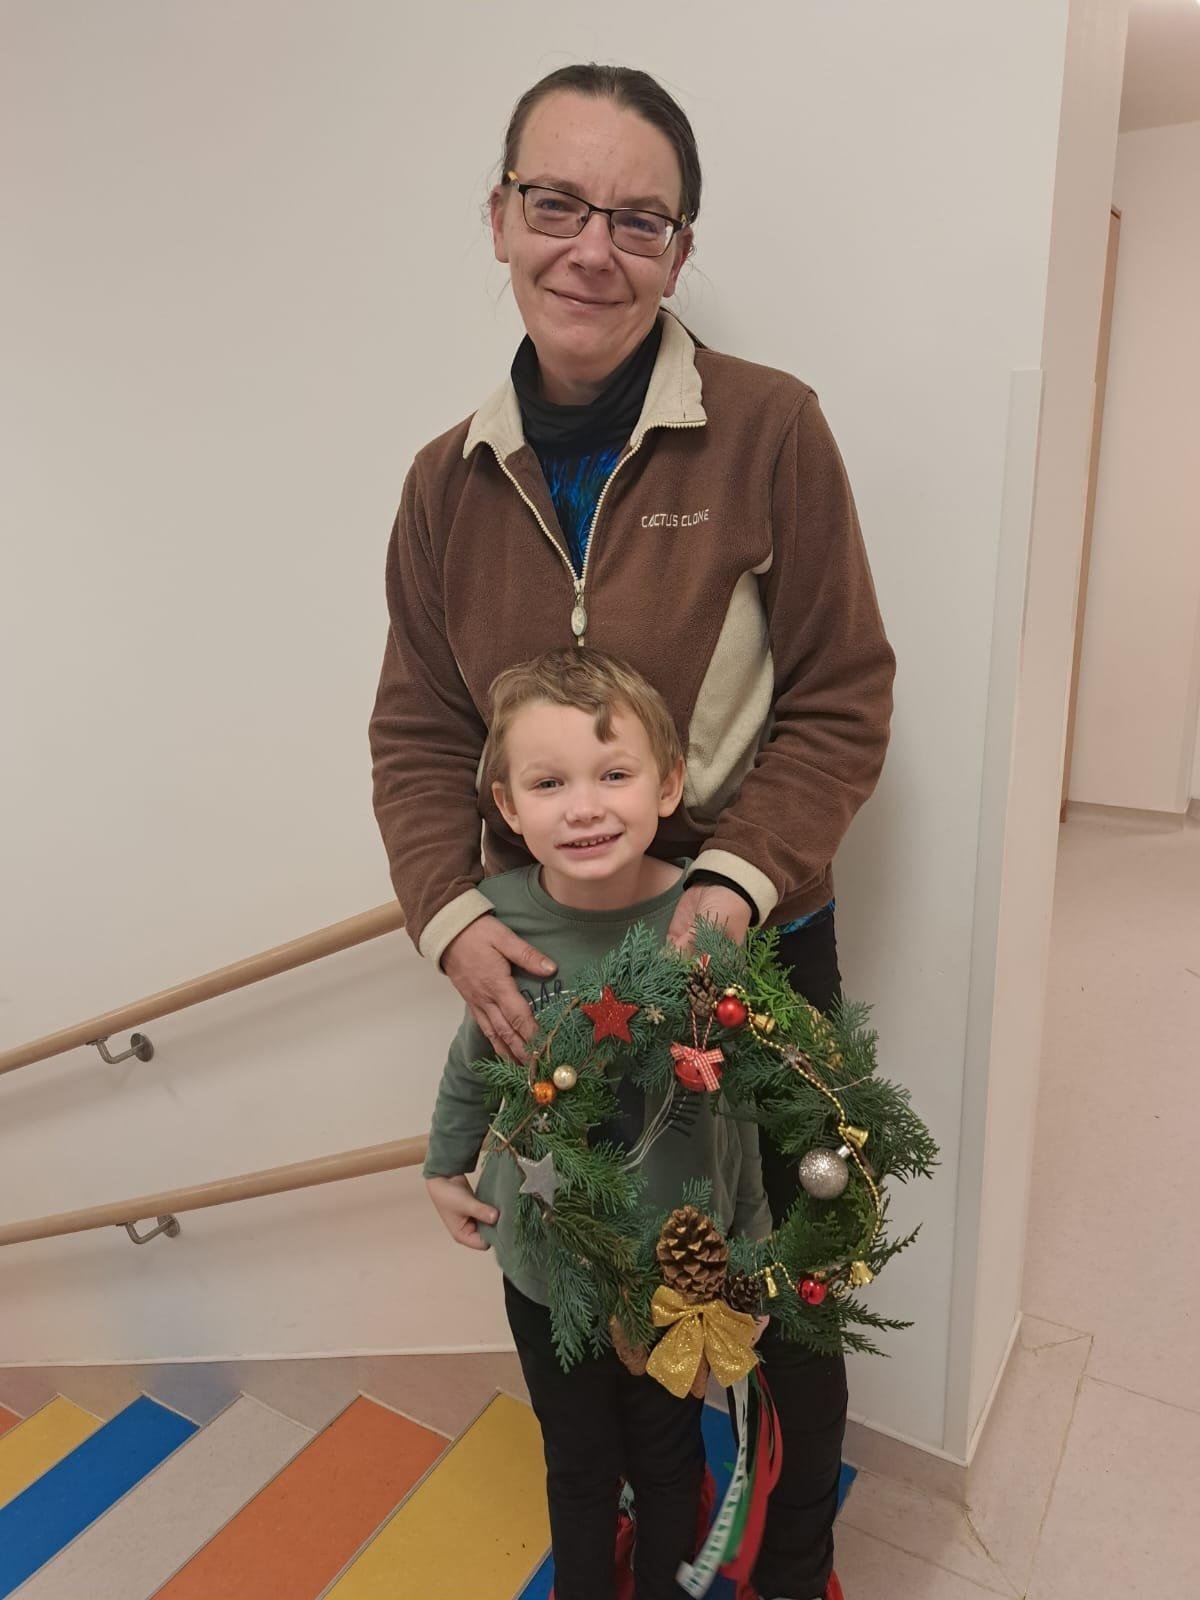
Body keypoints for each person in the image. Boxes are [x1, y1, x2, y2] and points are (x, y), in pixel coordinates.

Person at [370, 64, 894, 1600]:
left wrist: (729, 885)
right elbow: (418, 734)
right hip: (551, 973)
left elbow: (843, 697)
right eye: (556, 204)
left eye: (639, 218)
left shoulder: (771, 429)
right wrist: (454, 920)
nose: (592, 248)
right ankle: (635, 1542)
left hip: (755, 953)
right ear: (499, 218)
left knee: (780, 1292)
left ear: (679, 247)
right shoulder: (442, 485)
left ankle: (789, 1571)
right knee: (590, 1276)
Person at [422, 648, 771, 1600]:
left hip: (678, 1270)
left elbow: (737, 1103)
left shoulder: (708, 923)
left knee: (667, 1458)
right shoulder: (494, 925)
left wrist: (749, 1245)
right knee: (576, 1463)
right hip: (545, 1268)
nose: (583, 807)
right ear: (506, 804)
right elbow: (475, 1057)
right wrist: (443, 1168)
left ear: (669, 785)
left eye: (613, 775)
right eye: (550, 783)